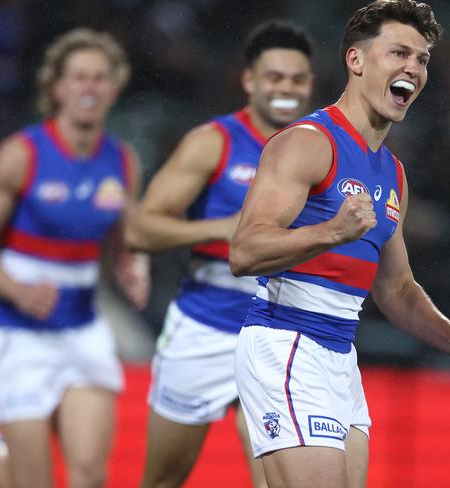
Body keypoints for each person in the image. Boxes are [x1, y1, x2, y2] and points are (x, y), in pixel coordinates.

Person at [229, 2, 450, 487]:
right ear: (356, 60)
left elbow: (396, 288)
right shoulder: (307, 142)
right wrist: (330, 232)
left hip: (339, 355)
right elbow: (244, 252)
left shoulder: (392, 173)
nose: (413, 67)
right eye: (399, 53)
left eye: (423, 59)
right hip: (287, 344)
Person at [0, 28, 150, 488]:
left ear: (114, 87)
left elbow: (120, 234)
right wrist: (14, 289)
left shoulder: (122, 161)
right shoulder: (22, 154)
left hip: (82, 331)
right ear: (57, 87)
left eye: (100, 78)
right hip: (20, 337)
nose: (89, 87)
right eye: (78, 77)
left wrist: (130, 267)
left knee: (89, 478)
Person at [124, 20, 314, 488]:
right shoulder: (214, 141)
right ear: (249, 81)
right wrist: (220, 228)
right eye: (274, 77)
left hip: (280, 334)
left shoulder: (322, 149)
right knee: (162, 479)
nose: (286, 88)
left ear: (310, 84)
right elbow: (140, 227)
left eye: (297, 79)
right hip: (205, 327)